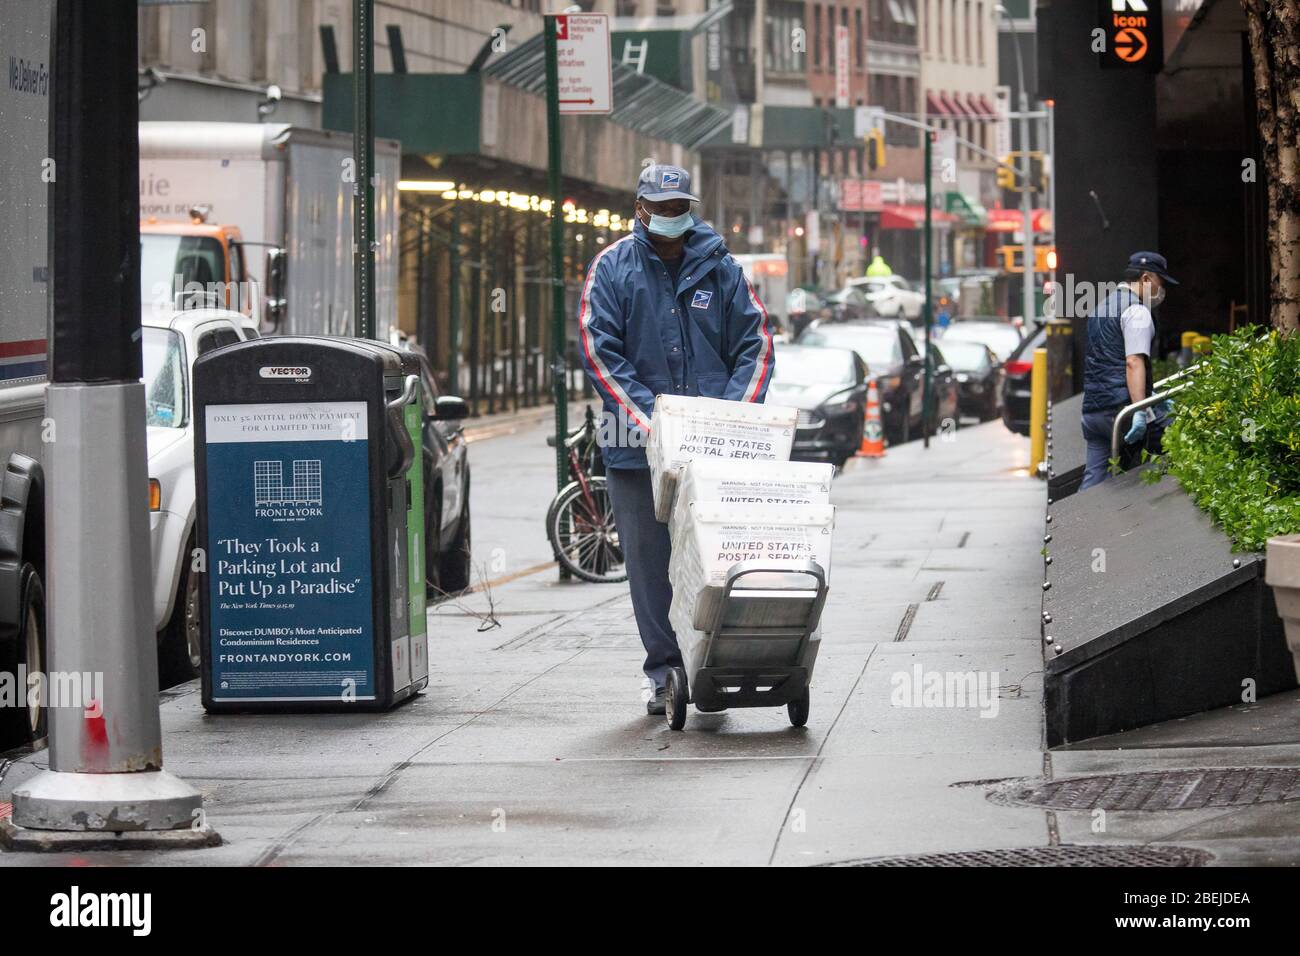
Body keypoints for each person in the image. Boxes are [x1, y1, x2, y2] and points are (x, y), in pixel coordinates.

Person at [577, 164, 774, 714]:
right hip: (634, 452)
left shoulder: (722, 269)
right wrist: (655, 427)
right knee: (649, 564)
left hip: (713, 454)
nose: (670, 216)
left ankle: (713, 658)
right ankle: (665, 671)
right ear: (640, 208)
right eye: (660, 207)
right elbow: (599, 351)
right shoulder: (612, 269)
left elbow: (755, 346)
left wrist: (724, 424)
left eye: (679, 206)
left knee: (715, 558)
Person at [1079, 251, 1177, 490]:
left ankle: (1084, 526)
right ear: (1146, 278)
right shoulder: (1137, 311)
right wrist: (1141, 410)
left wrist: (1150, 395)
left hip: (1093, 411)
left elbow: (1104, 359)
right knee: (1177, 444)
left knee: (1094, 481)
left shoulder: (1100, 307)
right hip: (1122, 411)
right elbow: (1133, 362)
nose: (1162, 290)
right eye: (1160, 283)